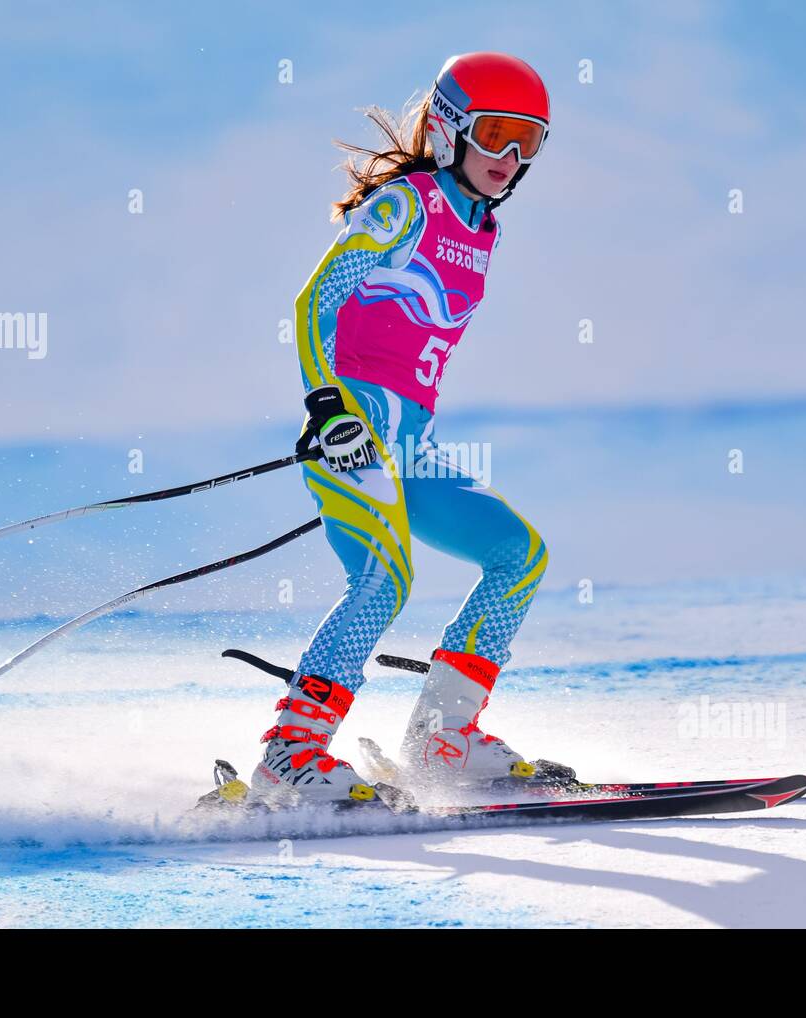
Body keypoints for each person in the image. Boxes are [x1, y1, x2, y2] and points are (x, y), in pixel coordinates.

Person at [251, 52, 552, 803]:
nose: (510, 158)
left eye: (529, 140)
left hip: (409, 444)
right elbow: (315, 302)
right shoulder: (406, 206)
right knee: (384, 580)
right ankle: (290, 755)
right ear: (451, 131)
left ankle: (442, 741)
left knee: (520, 556)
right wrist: (327, 408)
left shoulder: (484, 230)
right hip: (352, 429)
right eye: (496, 134)